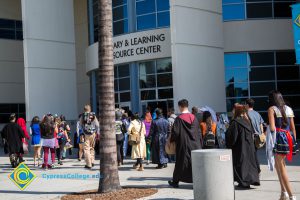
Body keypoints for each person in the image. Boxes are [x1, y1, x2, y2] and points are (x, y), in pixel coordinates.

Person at [267, 91, 297, 200]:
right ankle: (283, 192)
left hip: (279, 138)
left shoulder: (271, 109)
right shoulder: (289, 109)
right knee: (279, 166)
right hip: (289, 137)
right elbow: (293, 127)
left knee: (281, 167)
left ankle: (291, 196)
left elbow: (272, 128)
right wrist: (294, 142)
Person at [168, 99, 202, 188]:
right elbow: (199, 132)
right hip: (195, 144)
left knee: (180, 163)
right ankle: (197, 181)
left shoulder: (179, 119)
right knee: (194, 164)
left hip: (184, 145)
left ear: (180, 106)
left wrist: (171, 140)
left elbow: (175, 133)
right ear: (187, 106)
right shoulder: (194, 117)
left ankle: (175, 181)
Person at [226, 104, 260, 189]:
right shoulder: (248, 121)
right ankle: (249, 180)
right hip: (249, 147)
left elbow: (232, 137)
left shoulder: (235, 122)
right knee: (248, 164)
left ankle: (243, 182)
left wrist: (227, 130)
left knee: (241, 164)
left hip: (240, 147)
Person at [245, 98, 264, 175]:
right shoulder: (257, 113)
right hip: (258, 137)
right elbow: (261, 124)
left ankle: (257, 169)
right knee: (254, 152)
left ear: (247, 105)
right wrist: (261, 134)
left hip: (251, 137)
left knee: (252, 154)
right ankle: (256, 169)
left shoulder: (246, 114)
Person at [80, 104, 100, 169]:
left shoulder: (82, 116)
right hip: (93, 133)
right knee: (92, 148)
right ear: (90, 109)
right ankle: (92, 161)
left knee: (86, 149)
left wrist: (83, 130)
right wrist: (95, 131)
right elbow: (97, 125)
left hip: (86, 134)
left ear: (84, 110)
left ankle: (88, 164)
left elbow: (80, 124)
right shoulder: (93, 115)